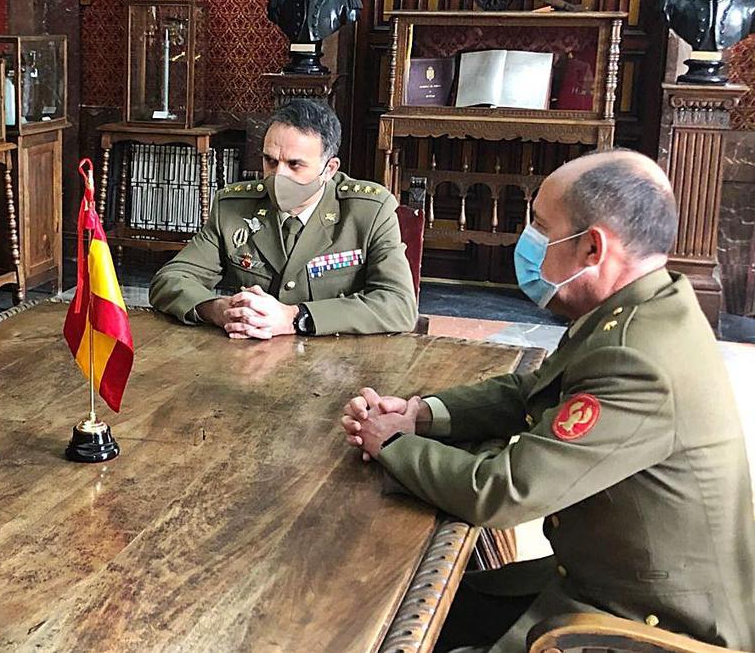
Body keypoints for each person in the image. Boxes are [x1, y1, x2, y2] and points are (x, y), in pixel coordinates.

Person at [339, 149, 755, 651]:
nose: (528, 241)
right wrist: (423, 414)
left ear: (592, 249)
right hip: (597, 578)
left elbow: (503, 491)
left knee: (380, 616)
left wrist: (389, 444)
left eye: (540, 225)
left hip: (647, 625)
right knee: (423, 605)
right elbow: (534, 390)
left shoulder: (638, 359)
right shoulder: (643, 302)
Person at [148, 99, 417, 338]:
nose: (279, 176)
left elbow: (399, 306)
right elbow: (170, 280)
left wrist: (295, 317)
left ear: (329, 169)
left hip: (338, 365)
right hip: (249, 360)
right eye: (270, 161)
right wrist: (219, 309)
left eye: (294, 164)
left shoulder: (368, 211)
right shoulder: (234, 207)